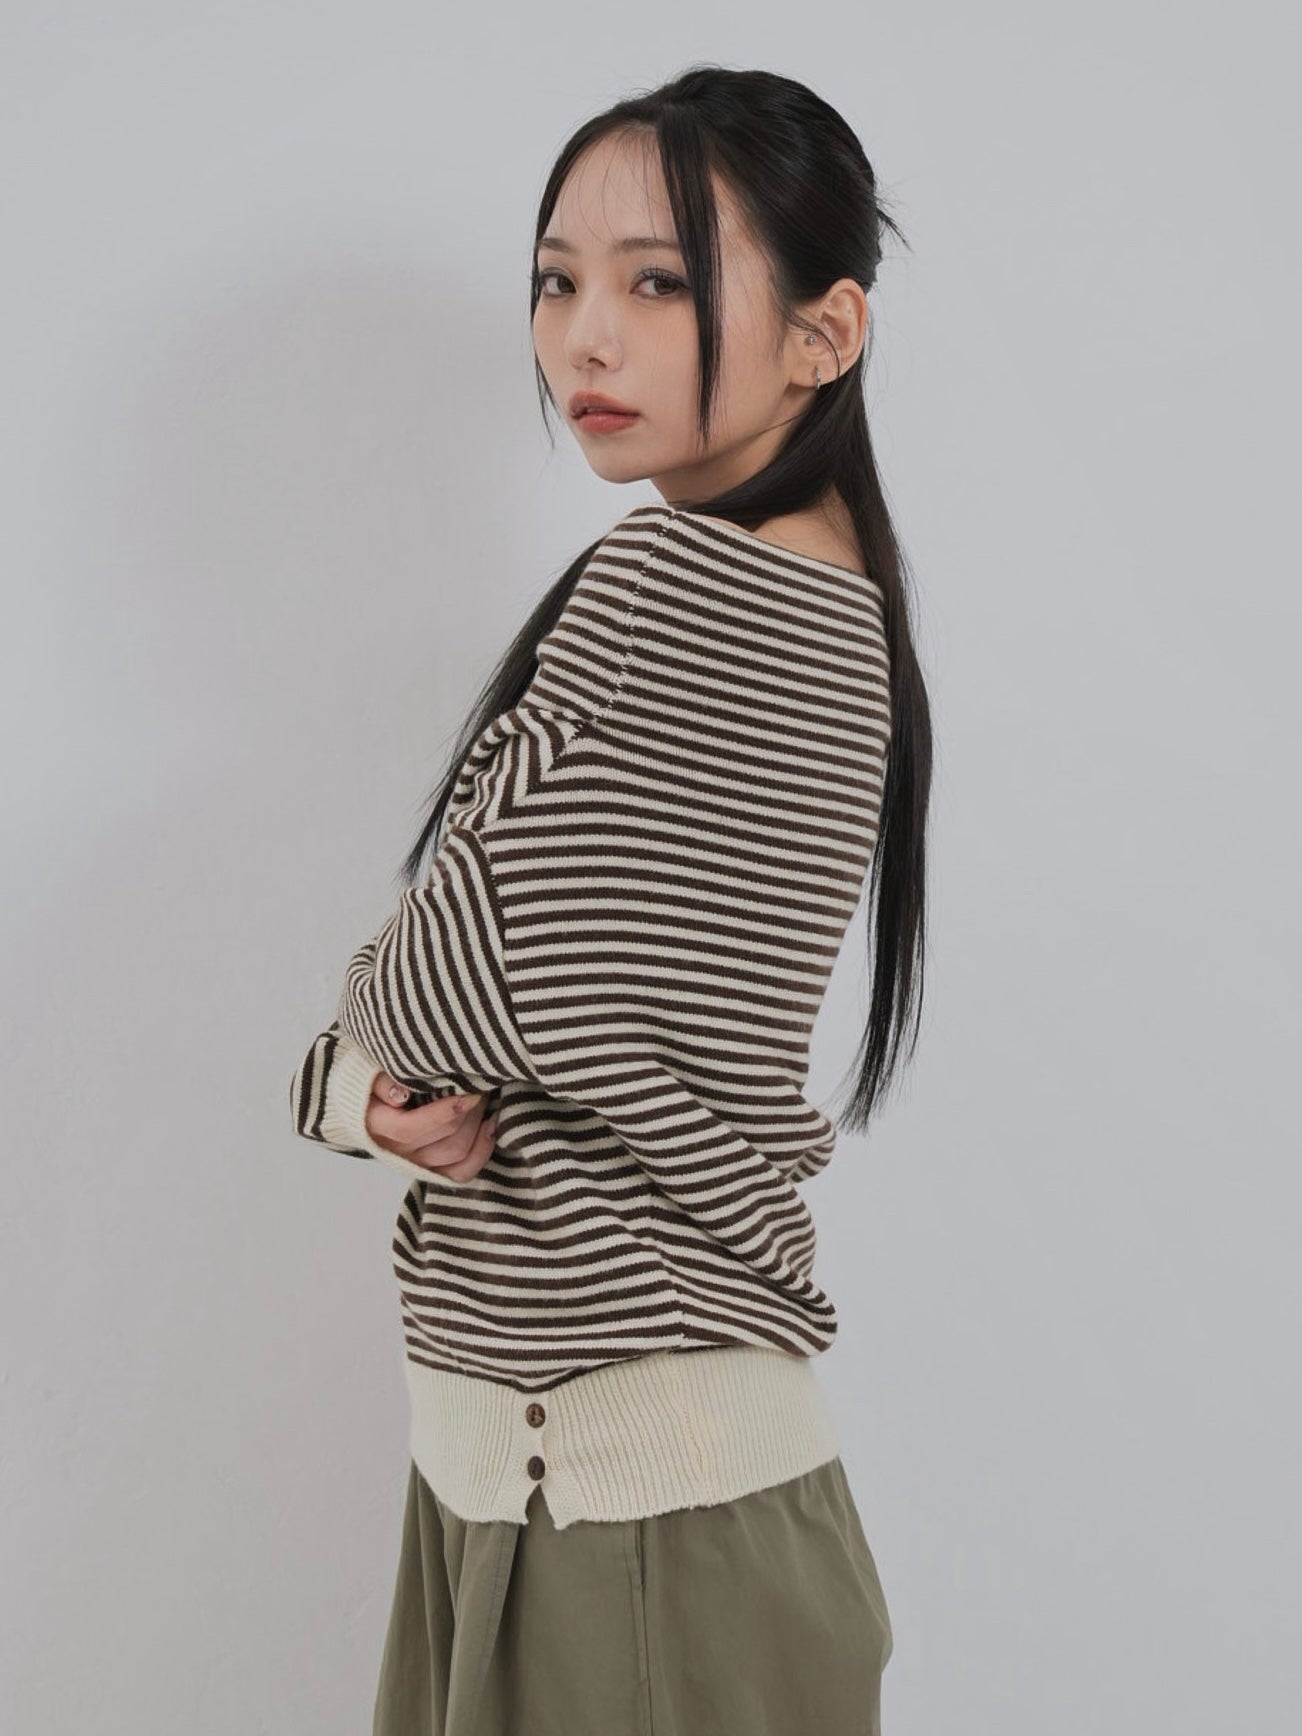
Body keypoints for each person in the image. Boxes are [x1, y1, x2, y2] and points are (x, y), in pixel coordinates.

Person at [290, 63, 932, 1736]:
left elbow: (433, 981)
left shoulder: (677, 589)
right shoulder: (826, 605)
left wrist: (351, 1076)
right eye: (556, 280)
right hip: (565, 1492)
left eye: (658, 283)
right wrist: (369, 1079)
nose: (583, 339)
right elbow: (479, 977)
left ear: (823, 333)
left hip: (629, 1522)